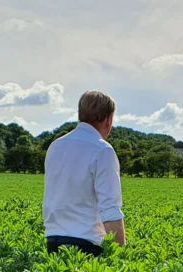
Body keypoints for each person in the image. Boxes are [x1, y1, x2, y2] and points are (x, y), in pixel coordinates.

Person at [43, 90, 126, 256]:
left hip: (53, 242)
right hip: (87, 245)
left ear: (80, 115)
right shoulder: (102, 150)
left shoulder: (56, 146)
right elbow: (110, 207)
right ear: (109, 119)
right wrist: (121, 255)